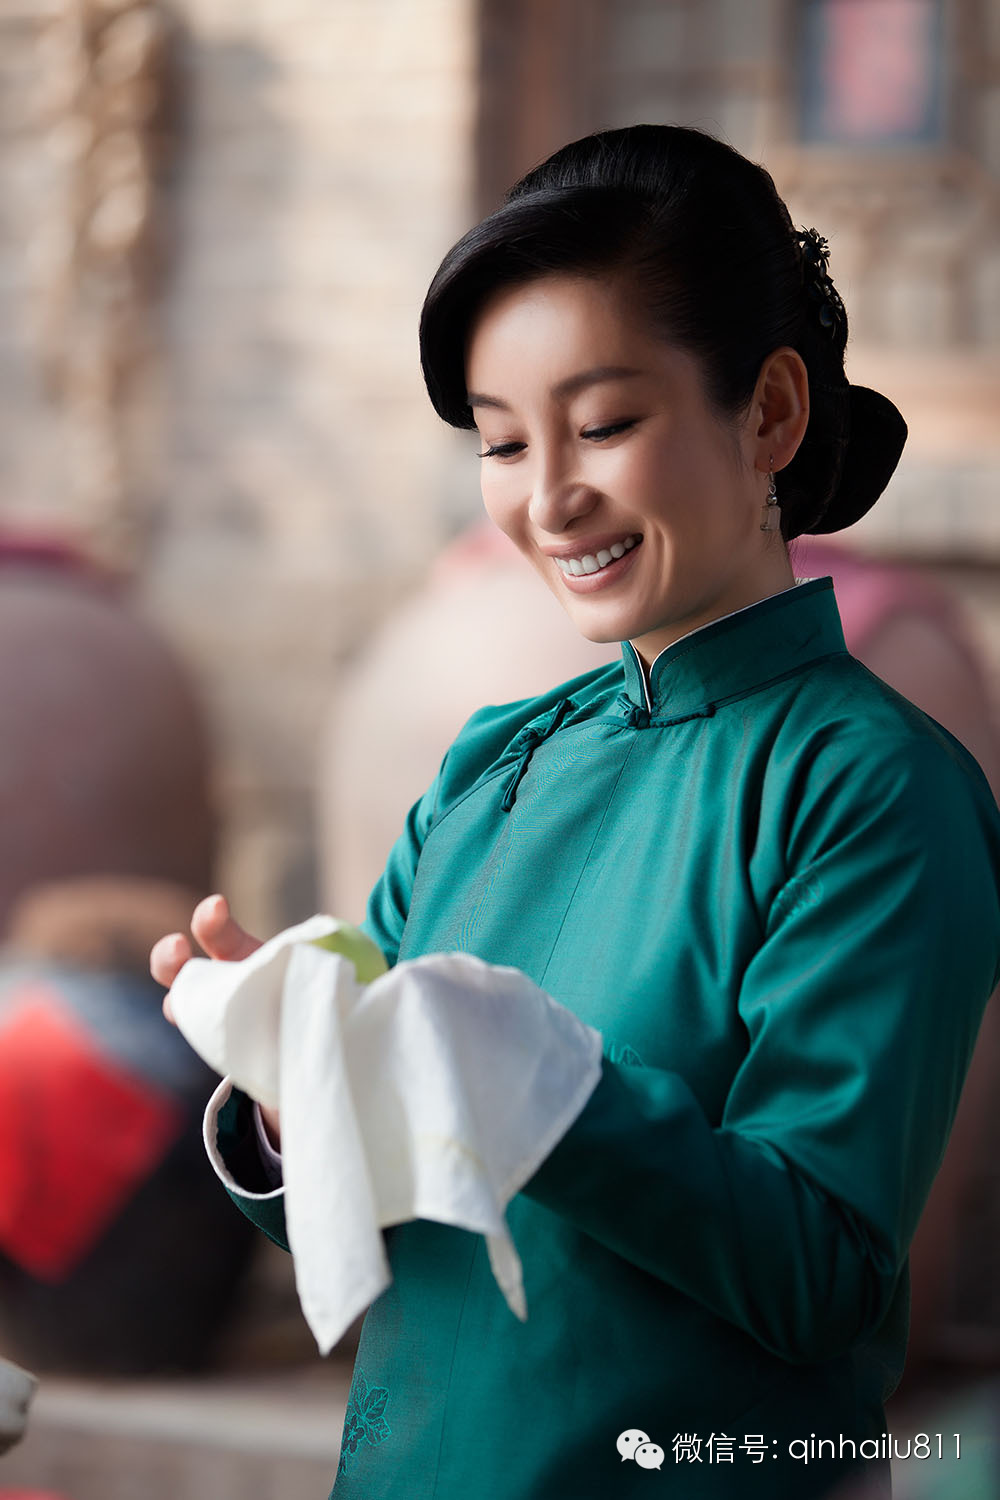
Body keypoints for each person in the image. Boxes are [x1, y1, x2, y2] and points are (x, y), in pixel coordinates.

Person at [152, 125, 1000, 1498]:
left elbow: (824, 1274)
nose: (547, 498)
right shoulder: (496, 768)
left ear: (770, 412)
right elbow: (375, 1193)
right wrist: (285, 1076)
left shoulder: (871, 787)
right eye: (502, 443)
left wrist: (557, 1097)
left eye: (605, 423)